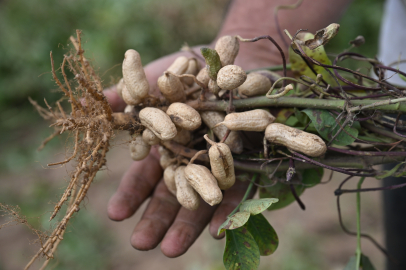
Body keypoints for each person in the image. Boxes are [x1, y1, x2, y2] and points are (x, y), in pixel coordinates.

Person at [104, 0, 354, 259]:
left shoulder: (211, 93)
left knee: (224, 128)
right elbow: (179, 128)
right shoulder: (175, 115)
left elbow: (188, 120)